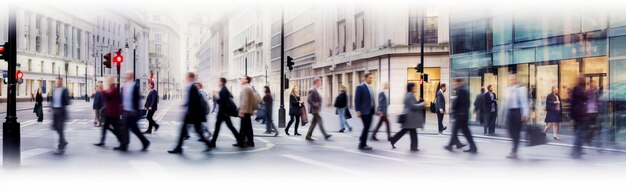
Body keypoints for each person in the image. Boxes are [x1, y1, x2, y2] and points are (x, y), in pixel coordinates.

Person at [168, 73, 212, 154]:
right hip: (192, 113)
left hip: (192, 114)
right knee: (191, 130)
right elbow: (191, 100)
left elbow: (194, 102)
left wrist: (189, 111)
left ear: (190, 78)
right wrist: (184, 105)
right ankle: (179, 147)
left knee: (192, 130)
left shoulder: (192, 87)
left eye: (187, 77)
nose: (186, 78)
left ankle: (179, 148)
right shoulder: (191, 87)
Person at [116, 72, 150, 152]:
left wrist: (135, 109)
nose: (126, 76)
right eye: (126, 75)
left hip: (131, 111)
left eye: (128, 75)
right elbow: (122, 96)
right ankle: (124, 144)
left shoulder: (134, 85)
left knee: (133, 129)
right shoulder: (125, 85)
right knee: (125, 128)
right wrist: (121, 104)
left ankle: (144, 142)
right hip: (125, 110)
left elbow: (137, 98)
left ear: (131, 76)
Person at [444, 78, 477, 153]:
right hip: (464, 114)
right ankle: (472, 147)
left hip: (459, 115)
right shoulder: (466, 90)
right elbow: (468, 103)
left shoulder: (459, 90)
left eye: (455, 82)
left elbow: (456, 102)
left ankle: (451, 145)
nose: (454, 84)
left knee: (456, 131)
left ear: (458, 82)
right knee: (463, 132)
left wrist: (452, 109)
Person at [389, 83, 424, 151]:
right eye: (415, 87)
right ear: (411, 88)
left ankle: (393, 139)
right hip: (409, 118)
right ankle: (413, 147)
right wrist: (422, 104)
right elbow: (412, 106)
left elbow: (412, 104)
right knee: (413, 133)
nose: (416, 88)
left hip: (409, 117)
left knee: (404, 131)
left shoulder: (409, 95)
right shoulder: (409, 95)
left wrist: (419, 102)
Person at [209, 78, 241, 148]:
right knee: (229, 127)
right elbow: (229, 97)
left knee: (218, 127)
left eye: (218, 81)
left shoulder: (223, 90)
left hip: (223, 113)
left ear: (221, 82)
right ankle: (240, 140)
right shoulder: (224, 89)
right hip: (224, 113)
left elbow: (221, 102)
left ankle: (213, 142)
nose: (217, 82)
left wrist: (216, 96)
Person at [503, 75, 529, 159]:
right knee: (510, 130)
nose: (512, 80)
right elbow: (505, 103)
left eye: (513, 79)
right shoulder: (507, 89)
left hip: (518, 112)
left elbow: (524, 101)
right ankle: (515, 145)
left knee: (517, 131)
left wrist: (525, 114)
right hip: (510, 112)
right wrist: (503, 114)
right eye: (510, 79)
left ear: (516, 80)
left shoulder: (521, 89)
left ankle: (514, 151)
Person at [94, 77, 122, 147]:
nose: (107, 82)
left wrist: (102, 90)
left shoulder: (114, 89)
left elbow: (108, 96)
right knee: (106, 127)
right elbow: (107, 97)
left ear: (111, 81)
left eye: (108, 81)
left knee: (115, 128)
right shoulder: (110, 88)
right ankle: (102, 141)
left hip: (113, 113)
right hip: (109, 112)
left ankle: (121, 139)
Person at [355, 73, 375, 150]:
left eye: (371, 78)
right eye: (369, 78)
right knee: (366, 127)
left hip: (370, 110)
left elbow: (371, 99)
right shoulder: (360, 87)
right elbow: (357, 100)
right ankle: (362, 144)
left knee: (367, 127)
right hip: (364, 111)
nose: (371, 79)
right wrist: (358, 110)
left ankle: (362, 139)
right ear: (365, 78)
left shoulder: (370, 87)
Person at [570, 76, 588, 159]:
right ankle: (575, 151)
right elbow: (585, 98)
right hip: (579, 114)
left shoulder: (576, 88)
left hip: (577, 114)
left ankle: (577, 151)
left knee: (579, 133)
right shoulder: (579, 89)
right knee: (579, 134)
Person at [238, 75, 258, 148]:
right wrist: (253, 109)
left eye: (242, 79)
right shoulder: (249, 88)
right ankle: (248, 142)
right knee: (247, 127)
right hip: (248, 110)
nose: (241, 79)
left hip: (245, 111)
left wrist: (242, 111)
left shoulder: (246, 88)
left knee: (244, 127)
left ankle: (242, 142)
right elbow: (253, 100)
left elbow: (245, 101)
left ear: (246, 80)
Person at [51, 77, 70, 154]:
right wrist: (51, 107)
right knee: (55, 126)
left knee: (60, 128)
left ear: (61, 82)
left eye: (58, 82)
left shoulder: (64, 90)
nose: (57, 83)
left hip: (61, 111)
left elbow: (67, 101)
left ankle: (61, 147)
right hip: (55, 110)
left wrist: (63, 105)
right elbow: (52, 99)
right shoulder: (54, 90)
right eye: (56, 82)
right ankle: (63, 141)